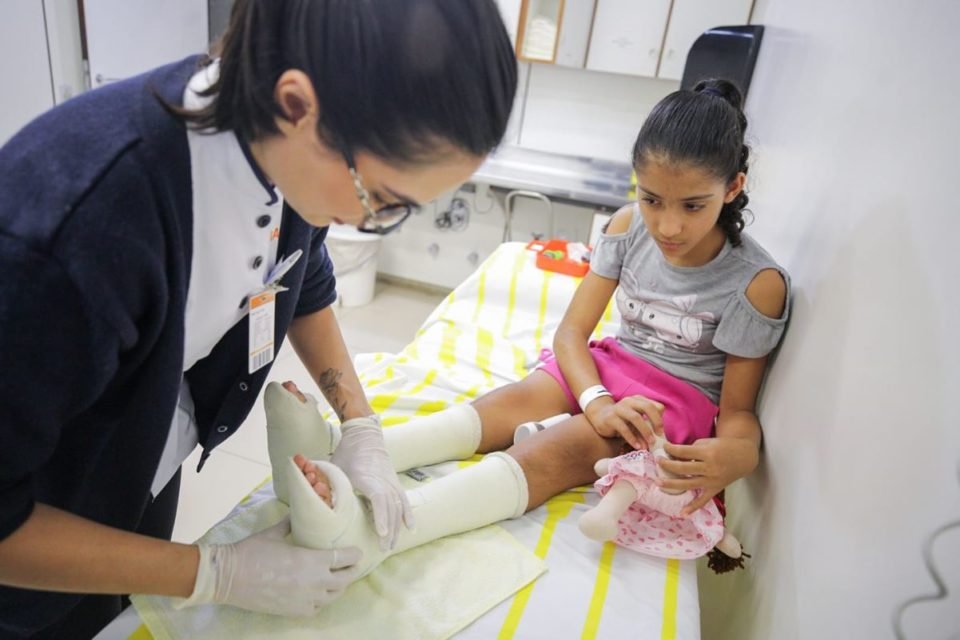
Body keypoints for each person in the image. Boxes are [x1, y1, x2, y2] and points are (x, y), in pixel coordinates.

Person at [0, 0, 517, 637]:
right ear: (298, 104)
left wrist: (360, 423)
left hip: (137, 460)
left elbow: (302, 280)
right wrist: (215, 573)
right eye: (378, 199)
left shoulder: (275, 146)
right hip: (34, 537)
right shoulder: (73, 234)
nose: (369, 221)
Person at [265, 78, 790, 578]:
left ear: (733, 188)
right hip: (611, 365)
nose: (668, 226)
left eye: (692, 206)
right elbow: (570, 337)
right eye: (652, 199)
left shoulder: (756, 283)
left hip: (671, 407)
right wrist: (597, 397)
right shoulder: (629, 226)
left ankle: (381, 533)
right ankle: (340, 450)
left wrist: (737, 455)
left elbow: (739, 413)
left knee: (565, 447)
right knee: (511, 401)